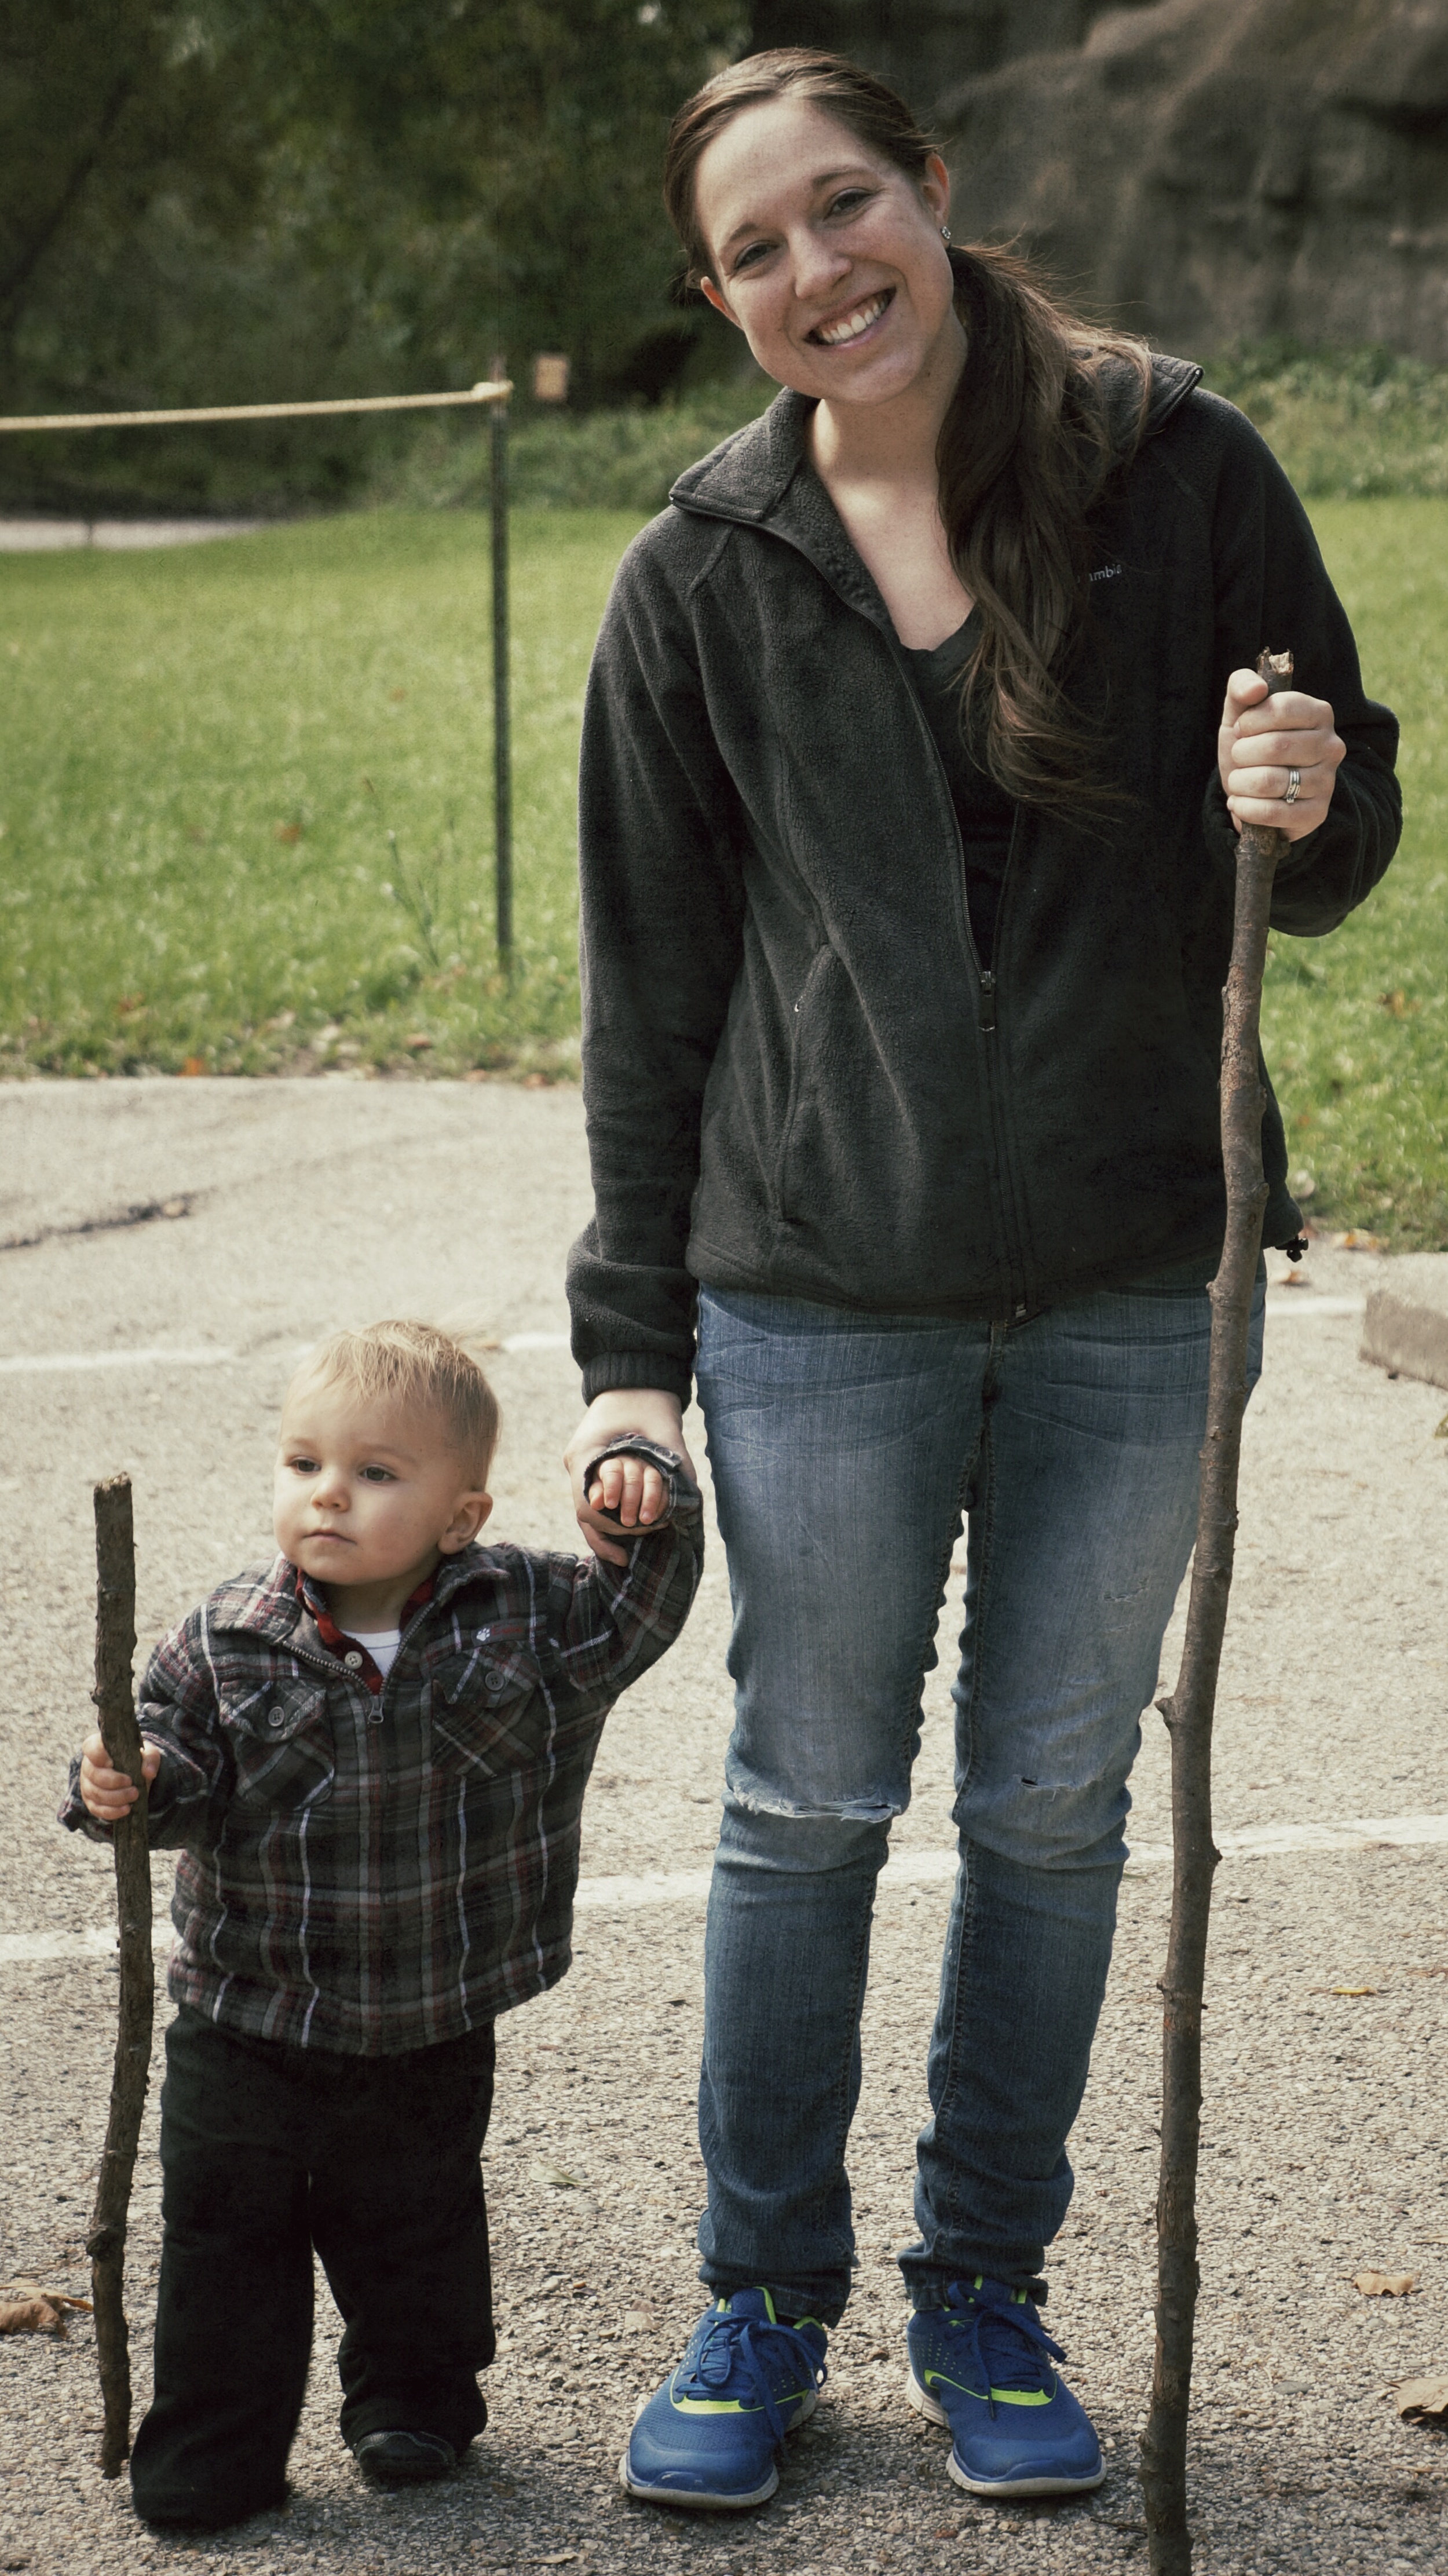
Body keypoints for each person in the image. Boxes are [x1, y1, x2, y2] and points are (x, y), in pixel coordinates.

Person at [561, 46, 1400, 2516]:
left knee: (1050, 1808)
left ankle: (983, 2280)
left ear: (933, 190)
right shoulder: (700, 576)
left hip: (1149, 1276)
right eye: (758, 249)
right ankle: (760, 2292)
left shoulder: (1179, 465)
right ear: (716, 302)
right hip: (818, 1293)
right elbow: (651, 999)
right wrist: (632, 1363)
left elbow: (1327, 833)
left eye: (849, 206)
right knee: (804, 1801)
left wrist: (1315, 792)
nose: (822, 270)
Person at [63, 1320, 701, 2531]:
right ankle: (214, 2445)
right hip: (245, 2008)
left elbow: (645, 1608)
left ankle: (412, 2397)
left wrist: (644, 1500)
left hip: (429, 2008)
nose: (328, 1496)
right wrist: (128, 1779)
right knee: (222, 2235)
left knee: (412, 2215)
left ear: (462, 1515)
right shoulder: (224, 1633)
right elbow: (167, 1764)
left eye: (374, 1473)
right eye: (304, 1464)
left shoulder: (526, 1613)